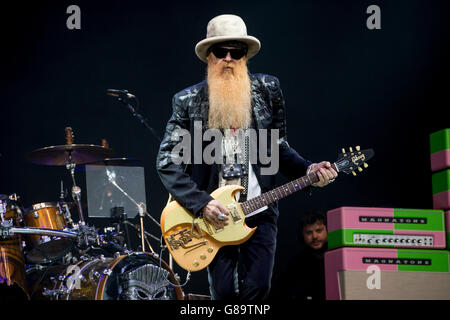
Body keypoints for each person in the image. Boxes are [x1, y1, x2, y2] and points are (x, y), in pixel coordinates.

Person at [156, 14, 337, 300]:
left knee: (258, 287)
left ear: (244, 56)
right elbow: (167, 163)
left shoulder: (267, 91)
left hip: (260, 209)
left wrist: (309, 170)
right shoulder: (188, 102)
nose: (228, 58)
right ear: (208, 56)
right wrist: (203, 204)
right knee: (224, 292)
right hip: (213, 216)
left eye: (236, 51)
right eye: (220, 51)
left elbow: (277, 148)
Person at [272, 211, 329, 301]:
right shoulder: (296, 265)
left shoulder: (340, 257)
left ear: (328, 230)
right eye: (309, 233)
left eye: (319, 230)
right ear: (302, 235)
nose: (314, 236)